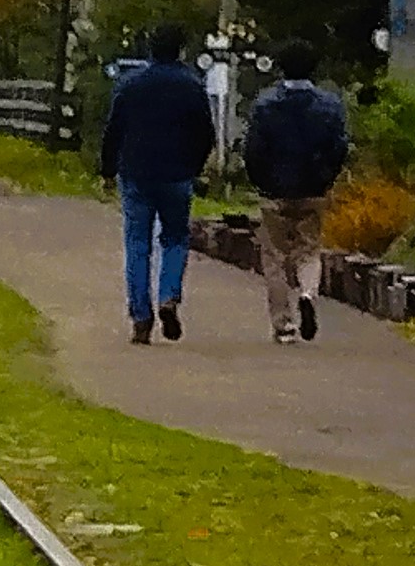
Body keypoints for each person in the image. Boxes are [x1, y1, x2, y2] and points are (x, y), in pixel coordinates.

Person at [96, 21, 217, 345]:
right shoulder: (191, 85)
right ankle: (169, 295)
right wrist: (195, 165)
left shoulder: (131, 84)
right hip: (177, 173)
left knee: (137, 243)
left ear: (150, 49)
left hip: (136, 171)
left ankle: (140, 316)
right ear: (180, 49)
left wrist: (108, 169)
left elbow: (114, 130)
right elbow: (206, 133)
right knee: (175, 238)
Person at [240, 40, 350, 346]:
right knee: (309, 250)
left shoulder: (265, 105)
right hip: (313, 189)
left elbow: (253, 150)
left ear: (281, 67)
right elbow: (339, 147)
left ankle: (283, 324)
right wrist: (327, 177)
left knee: (274, 256)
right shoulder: (329, 105)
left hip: (274, 191)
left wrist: (260, 181)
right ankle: (308, 293)